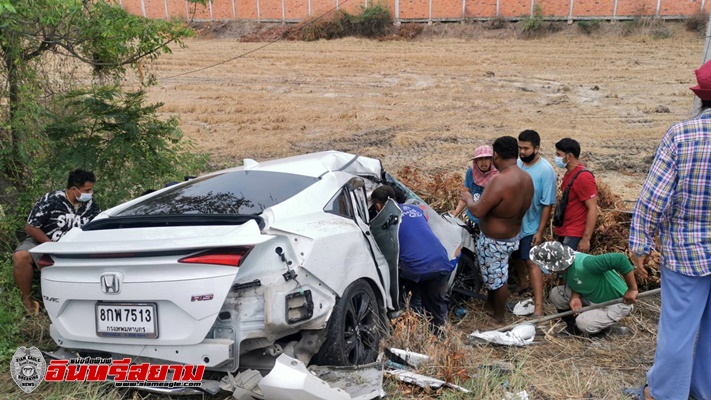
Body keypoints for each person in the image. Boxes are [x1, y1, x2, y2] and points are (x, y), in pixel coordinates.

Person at [625, 60, 711, 400]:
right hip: (689, 252)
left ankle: (662, 394)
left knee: (677, 331)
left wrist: (640, 244)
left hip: (686, 253)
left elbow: (653, 198)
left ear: (701, 97)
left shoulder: (682, 135)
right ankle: (704, 392)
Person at [461, 136, 533, 324]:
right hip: (512, 236)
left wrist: (468, 197)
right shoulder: (527, 179)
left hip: (495, 240)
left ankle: (498, 317)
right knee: (497, 274)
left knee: (498, 280)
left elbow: (478, 210)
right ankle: (491, 307)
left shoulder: (499, 181)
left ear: (497, 155)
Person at [12, 169, 101, 313]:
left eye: (91, 190)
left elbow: (96, 227)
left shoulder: (92, 205)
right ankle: (27, 302)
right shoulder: (50, 200)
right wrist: (50, 245)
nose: (90, 194)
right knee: (20, 256)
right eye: (87, 190)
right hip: (44, 242)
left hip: (75, 246)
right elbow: (31, 227)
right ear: (74, 189)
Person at [371, 185, 454, 330]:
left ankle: (412, 331)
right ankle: (441, 338)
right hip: (441, 261)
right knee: (437, 309)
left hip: (415, 268)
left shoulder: (386, 220)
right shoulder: (416, 210)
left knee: (409, 301)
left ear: (378, 205)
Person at [529, 241, 638, 335]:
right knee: (556, 294)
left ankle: (605, 330)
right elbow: (576, 279)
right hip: (592, 297)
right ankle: (573, 328)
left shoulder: (586, 264)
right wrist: (575, 296)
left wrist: (632, 289)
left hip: (617, 302)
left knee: (584, 323)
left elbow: (620, 259)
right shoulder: (564, 266)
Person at [510, 129, 557, 316]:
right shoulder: (518, 164)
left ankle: (539, 306)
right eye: (520, 148)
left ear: (537, 148)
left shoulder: (546, 171)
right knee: (516, 256)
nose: (522, 152)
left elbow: (547, 204)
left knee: (531, 262)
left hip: (531, 225)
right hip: (515, 223)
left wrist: (540, 230)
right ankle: (523, 284)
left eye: (526, 148)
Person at [552, 138, 597, 252]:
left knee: (567, 268)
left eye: (559, 154)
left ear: (569, 156)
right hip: (564, 229)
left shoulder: (583, 177)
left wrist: (586, 238)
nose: (556, 158)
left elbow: (592, 208)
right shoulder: (569, 173)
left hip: (573, 233)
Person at [450, 145, 499, 231]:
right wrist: (456, 212)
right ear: (475, 161)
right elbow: (465, 195)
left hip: (489, 223)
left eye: (486, 158)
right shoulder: (471, 172)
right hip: (473, 219)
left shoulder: (497, 175)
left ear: (491, 160)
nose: (483, 162)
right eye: (480, 159)